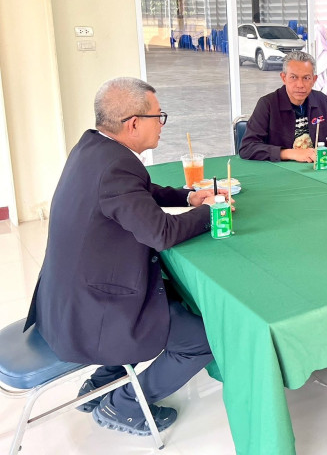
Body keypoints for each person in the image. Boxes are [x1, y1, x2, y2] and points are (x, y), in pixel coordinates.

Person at [25, 77, 225, 437]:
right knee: (202, 340)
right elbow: (161, 233)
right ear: (133, 124)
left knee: (173, 299)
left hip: (66, 299)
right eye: (158, 116)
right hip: (93, 311)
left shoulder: (94, 147)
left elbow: (138, 191)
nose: (161, 124)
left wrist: (187, 196)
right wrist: (211, 212)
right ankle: (125, 405)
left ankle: (103, 381)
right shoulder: (117, 166)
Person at [239, 51, 327, 162]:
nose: (300, 85)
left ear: (314, 80)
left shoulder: (321, 100)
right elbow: (248, 147)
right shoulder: (267, 104)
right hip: (282, 169)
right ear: (284, 78)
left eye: (306, 78)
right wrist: (288, 153)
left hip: (320, 165)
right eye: (293, 77)